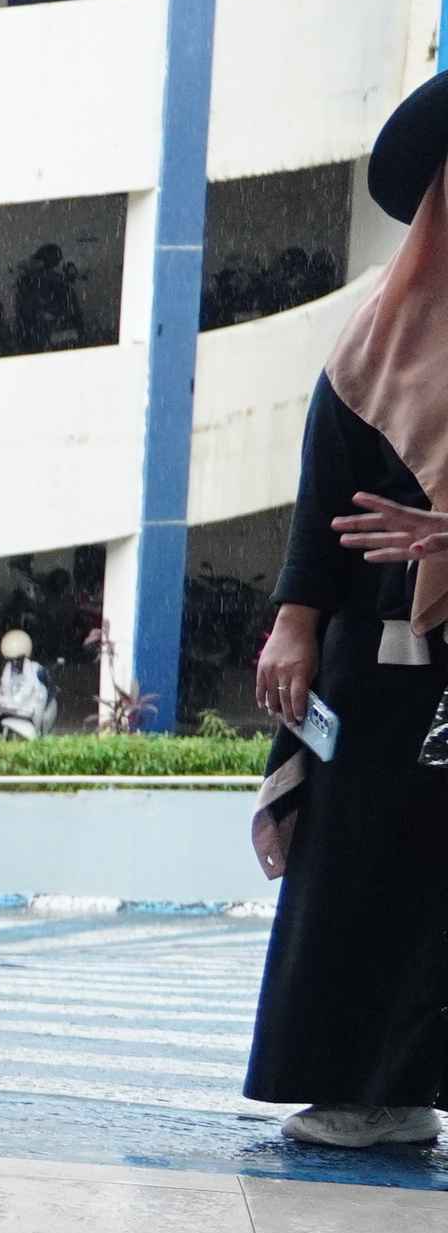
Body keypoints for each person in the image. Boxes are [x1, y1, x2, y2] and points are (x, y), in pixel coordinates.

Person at [245, 73, 448, 1150]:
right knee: (356, 863)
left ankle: (411, 1084)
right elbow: (324, 495)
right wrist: (295, 621)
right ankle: (350, 1084)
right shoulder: (374, 343)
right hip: (375, 664)